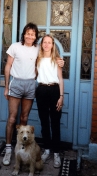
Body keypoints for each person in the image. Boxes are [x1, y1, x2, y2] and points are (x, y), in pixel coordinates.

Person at [3, 23, 64, 166]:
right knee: (14, 119)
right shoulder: (19, 47)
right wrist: (6, 86)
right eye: (27, 33)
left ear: (36, 37)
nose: (30, 36)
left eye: (33, 34)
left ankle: (29, 149)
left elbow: (57, 69)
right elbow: (8, 66)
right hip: (24, 85)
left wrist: (60, 61)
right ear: (24, 34)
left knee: (28, 118)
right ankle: (8, 150)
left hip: (37, 87)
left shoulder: (45, 52)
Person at [35, 34, 64, 168]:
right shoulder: (37, 59)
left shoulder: (57, 60)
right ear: (41, 44)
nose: (46, 44)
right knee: (44, 122)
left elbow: (60, 79)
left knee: (55, 122)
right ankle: (47, 150)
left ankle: (56, 153)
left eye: (49, 42)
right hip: (41, 91)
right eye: (44, 42)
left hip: (54, 90)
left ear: (53, 45)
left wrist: (61, 96)